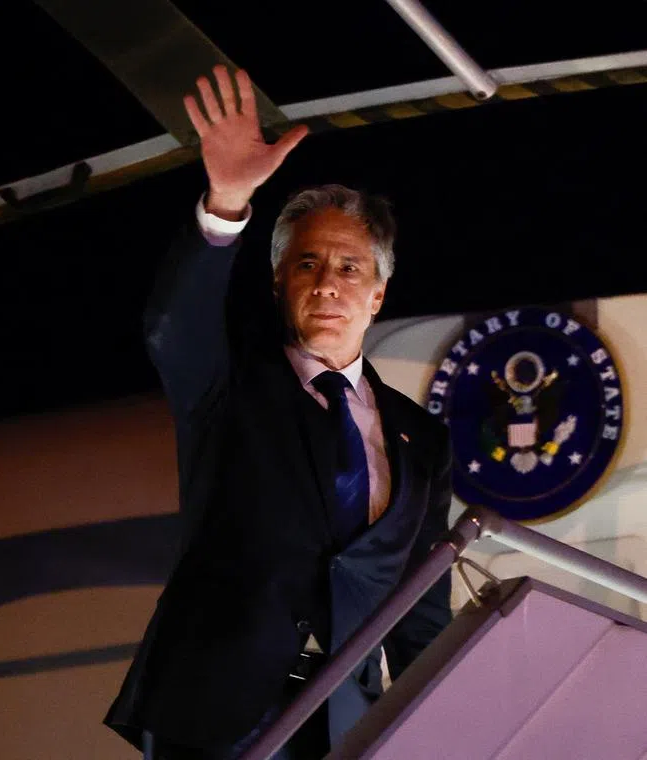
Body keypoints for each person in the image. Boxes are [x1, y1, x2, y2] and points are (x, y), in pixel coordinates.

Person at [104, 65, 454, 759]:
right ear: (278, 282)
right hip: (218, 715)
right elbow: (171, 327)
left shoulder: (424, 441)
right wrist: (227, 201)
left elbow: (421, 611)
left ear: (378, 294)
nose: (327, 282)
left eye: (350, 267)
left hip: (345, 721)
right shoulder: (227, 385)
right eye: (307, 264)